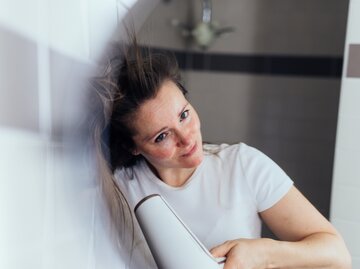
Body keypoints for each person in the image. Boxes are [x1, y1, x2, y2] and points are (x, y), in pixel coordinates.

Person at [90, 36, 351, 269]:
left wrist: (265, 253)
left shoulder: (243, 166)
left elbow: (337, 255)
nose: (186, 137)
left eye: (184, 115)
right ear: (133, 146)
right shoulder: (117, 191)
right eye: (162, 136)